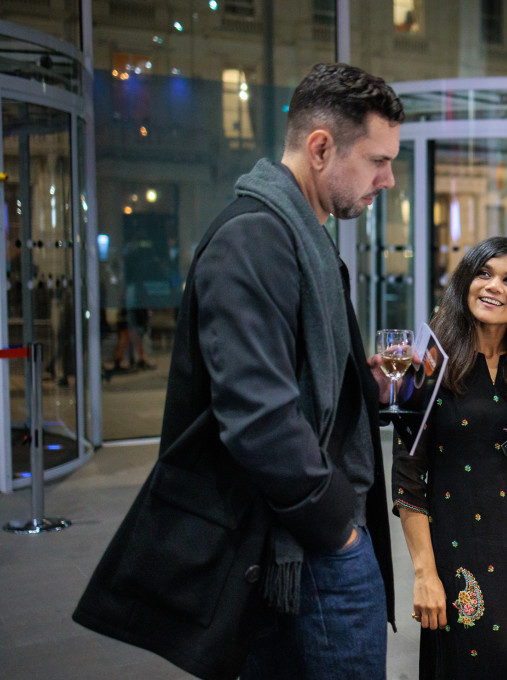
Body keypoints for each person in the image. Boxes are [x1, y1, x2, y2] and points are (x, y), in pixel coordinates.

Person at [73, 63, 405, 680]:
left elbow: (293, 376)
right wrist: (340, 532)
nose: (387, 179)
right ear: (321, 146)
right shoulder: (254, 239)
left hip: (310, 539)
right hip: (305, 547)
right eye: (377, 160)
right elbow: (258, 417)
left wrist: (362, 382)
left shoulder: (301, 233)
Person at [393, 237, 507, 680]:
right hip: (458, 555)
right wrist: (424, 574)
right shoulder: (429, 363)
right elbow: (408, 478)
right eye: (484, 273)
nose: (494, 287)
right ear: (466, 281)